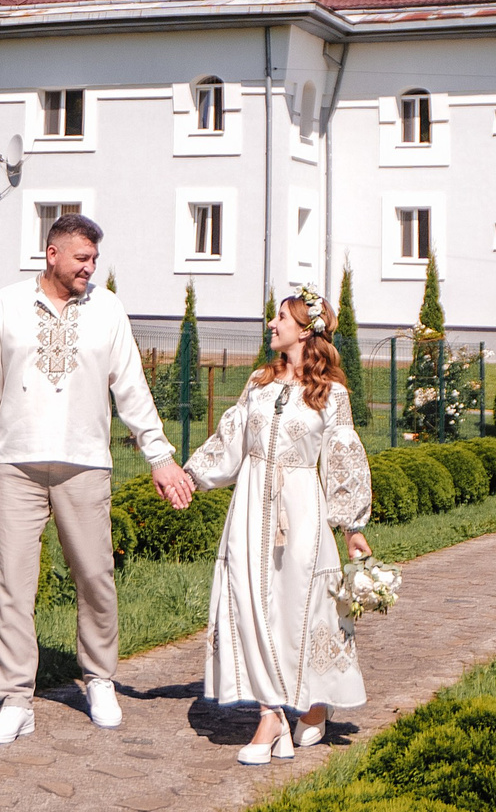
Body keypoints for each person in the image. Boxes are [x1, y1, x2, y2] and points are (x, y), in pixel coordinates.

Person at [0, 213, 193, 744]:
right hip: (15, 464)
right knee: (13, 585)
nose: (90, 268)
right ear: (51, 254)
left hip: (85, 463)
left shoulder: (107, 310)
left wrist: (159, 455)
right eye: (81, 258)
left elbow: (131, 388)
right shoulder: (7, 306)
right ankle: (15, 699)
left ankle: (99, 678)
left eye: (94, 259)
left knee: (94, 576)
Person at [184, 292, 374, 764]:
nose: (271, 323)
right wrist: (188, 477)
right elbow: (230, 438)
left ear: (306, 330)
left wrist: (352, 527)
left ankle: (310, 703)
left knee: (299, 609)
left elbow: (343, 457)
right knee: (249, 601)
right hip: (251, 507)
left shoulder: (332, 394)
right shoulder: (259, 382)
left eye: (282, 318)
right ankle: (272, 716)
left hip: (302, 510)